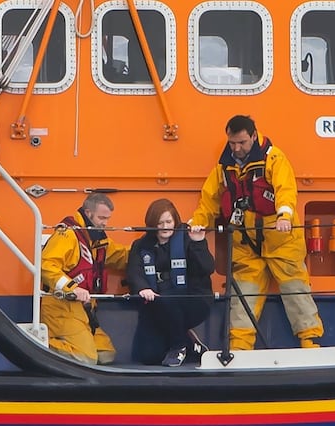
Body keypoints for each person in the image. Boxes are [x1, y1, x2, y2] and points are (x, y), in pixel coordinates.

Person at [189, 115, 323, 350]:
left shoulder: (274, 158)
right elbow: (208, 201)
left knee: (296, 290)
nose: (236, 148)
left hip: (282, 242)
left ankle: (310, 342)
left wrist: (284, 215)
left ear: (253, 136)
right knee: (242, 302)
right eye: (232, 143)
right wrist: (198, 222)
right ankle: (239, 349)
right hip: (246, 246)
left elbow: (286, 190)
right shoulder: (223, 168)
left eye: (241, 142)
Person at [40, 193, 129, 365]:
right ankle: (37, 342)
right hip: (61, 308)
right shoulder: (67, 235)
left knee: (106, 354)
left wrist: (147, 249)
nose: (105, 223)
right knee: (86, 358)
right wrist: (72, 288)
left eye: (108, 218)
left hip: (85, 311)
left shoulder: (96, 239)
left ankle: (75, 342)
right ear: (88, 213)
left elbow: (119, 255)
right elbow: (46, 266)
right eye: (102, 217)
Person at [127, 199, 215, 367]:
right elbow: (134, 272)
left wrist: (198, 243)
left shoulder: (187, 238)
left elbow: (207, 268)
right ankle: (192, 344)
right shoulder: (140, 245)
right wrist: (143, 287)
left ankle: (179, 345)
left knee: (168, 299)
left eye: (169, 221)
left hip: (192, 300)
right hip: (157, 305)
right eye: (160, 223)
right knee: (147, 356)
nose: (165, 226)